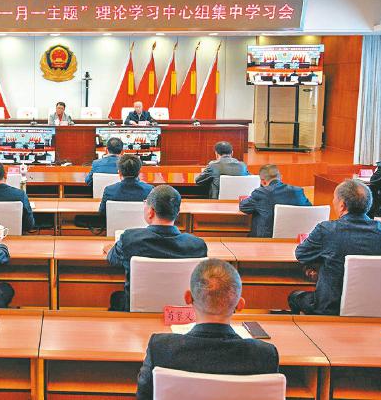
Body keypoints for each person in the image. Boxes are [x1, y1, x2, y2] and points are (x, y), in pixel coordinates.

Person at [136, 259, 279, 399]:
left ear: (188, 298)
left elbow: (143, 396)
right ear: (240, 305)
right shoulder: (265, 355)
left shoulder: (160, 348)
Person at [288, 179, 381, 315]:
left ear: (342, 205)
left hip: (331, 309)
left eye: (334, 199)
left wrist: (319, 267)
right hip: (376, 308)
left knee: (295, 297)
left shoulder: (327, 230)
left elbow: (301, 254)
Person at [104, 185, 207, 311]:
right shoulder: (198, 246)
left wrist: (110, 249)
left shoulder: (129, 239)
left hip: (137, 313)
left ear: (151, 211)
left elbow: (113, 259)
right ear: (177, 212)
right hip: (181, 313)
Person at [239, 164, 312, 237]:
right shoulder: (298, 191)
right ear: (281, 177)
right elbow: (309, 208)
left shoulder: (261, 193)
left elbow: (243, 207)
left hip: (266, 240)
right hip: (294, 238)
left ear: (263, 181)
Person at [98, 154, 154, 218]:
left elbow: (102, 213)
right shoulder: (150, 190)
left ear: (119, 172)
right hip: (142, 224)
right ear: (139, 172)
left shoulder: (109, 190)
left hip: (116, 224)